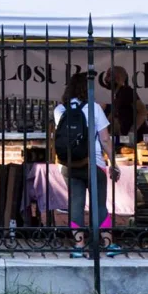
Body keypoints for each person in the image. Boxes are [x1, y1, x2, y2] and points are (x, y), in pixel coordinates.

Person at [54, 72, 120, 258]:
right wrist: (113, 162)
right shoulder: (94, 108)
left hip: (70, 164)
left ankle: (79, 245)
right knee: (99, 203)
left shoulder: (60, 110)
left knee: (75, 204)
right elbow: (105, 139)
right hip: (93, 162)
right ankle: (107, 243)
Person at [103, 65, 148, 144]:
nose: (106, 79)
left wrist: (132, 132)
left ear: (117, 78)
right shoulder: (118, 95)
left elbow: (143, 111)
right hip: (127, 138)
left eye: (108, 75)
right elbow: (112, 116)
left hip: (138, 139)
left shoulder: (127, 92)